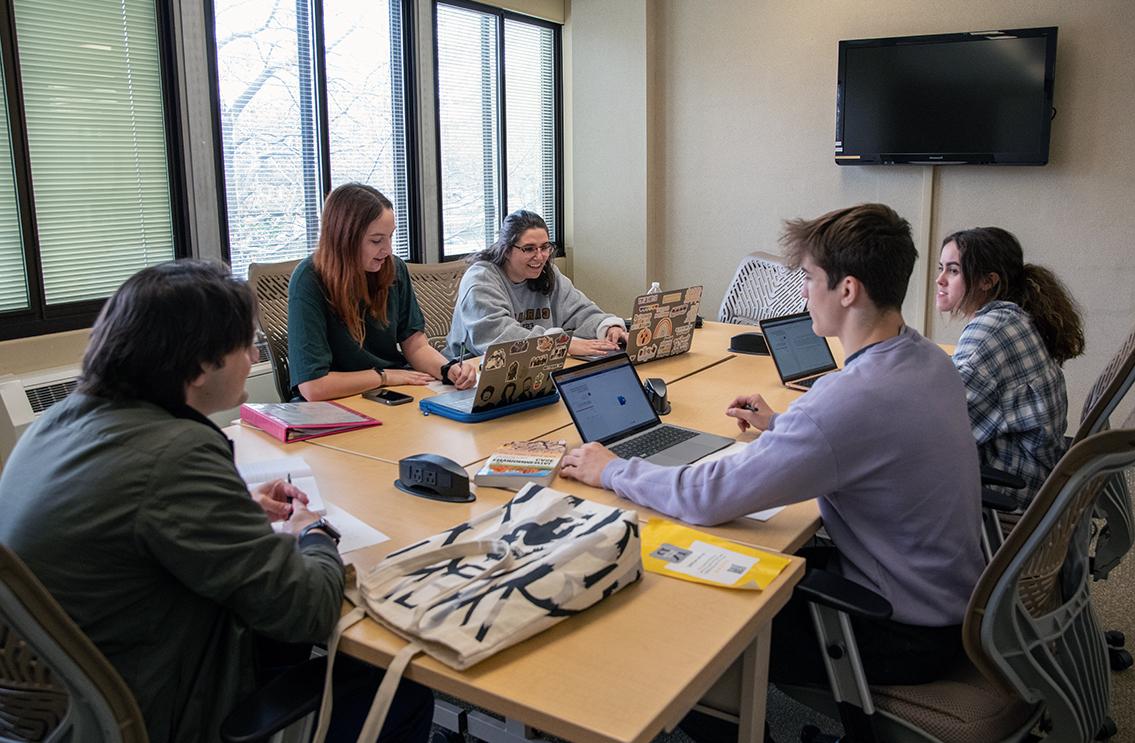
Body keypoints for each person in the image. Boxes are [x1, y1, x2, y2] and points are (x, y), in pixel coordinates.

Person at [561, 204, 984, 739]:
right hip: (950, 602)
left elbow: (708, 497)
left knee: (687, 619)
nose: (803, 291)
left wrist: (613, 470)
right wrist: (785, 428)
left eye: (809, 278)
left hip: (900, 633)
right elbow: (865, 440)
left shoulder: (847, 399)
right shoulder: (926, 358)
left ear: (848, 290)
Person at [0, 260, 433, 743]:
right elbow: (309, 609)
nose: (253, 356)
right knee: (400, 691)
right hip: (160, 708)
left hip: (80, 703)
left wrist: (236, 506)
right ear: (202, 363)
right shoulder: (174, 456)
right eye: (246, 344)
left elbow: (130, 523)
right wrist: (313, 532)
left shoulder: (56, 422)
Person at [935, 227, 1085, 503]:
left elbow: (940, 420)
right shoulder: (1012, 317)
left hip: (1012, 487)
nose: (940, 279)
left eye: (953, 271)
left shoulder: (990, 330)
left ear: (987, 281)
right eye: (941, 268)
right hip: (1036, 473)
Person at [288, 183, 476, 401]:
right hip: (336, 401)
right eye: (376, 240)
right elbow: (314, 387)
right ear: (345, 239)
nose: (387, 250)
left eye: (390, 237)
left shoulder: (393, 268)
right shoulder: (309, 279)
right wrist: (384, 376)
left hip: (390, 389)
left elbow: (414, 345)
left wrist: (448, 369)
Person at [445, 209, 628, 359]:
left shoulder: (548, 274)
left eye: (545, 247)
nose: (540, 256)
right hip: (468, 372)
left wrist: (608, 327)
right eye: (529, 249)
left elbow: (580, 311)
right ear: (507, 250)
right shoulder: (481, 278)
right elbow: (496, 338)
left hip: (537, 365)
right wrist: (563, 344)